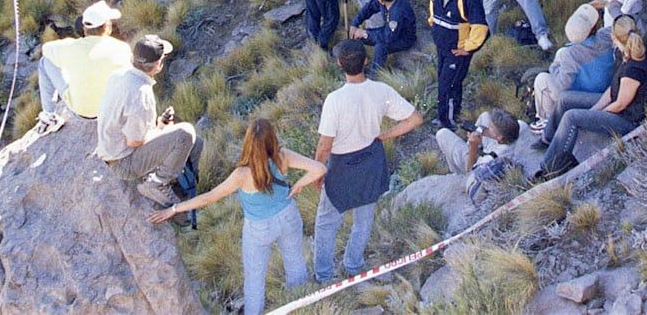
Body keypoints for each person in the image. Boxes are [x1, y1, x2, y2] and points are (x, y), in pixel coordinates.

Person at [150, 119, 325, 315]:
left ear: (248, 143)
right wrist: (298, 185)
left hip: (259, 228)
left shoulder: (241, 174)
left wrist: (174, 209)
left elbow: (209, 198)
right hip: (288, 215)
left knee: (254, 279)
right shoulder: (283, 156)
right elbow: (320, 169)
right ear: (272, 139)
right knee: (296, 265)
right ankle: (301, 307)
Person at [313, 41, 422, 283]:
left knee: (327, 223)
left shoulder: (335, 99)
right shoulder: (381, 90)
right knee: (364, 220)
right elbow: (415, 119)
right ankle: (354, 265)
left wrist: (317, 171)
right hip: (371, 161)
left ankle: (324, 276)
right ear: (365, 61)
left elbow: (325, 145)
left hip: (341, 168)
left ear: (339, 64)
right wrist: (384, 136)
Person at [538, 16, 647, 177]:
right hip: (616, 103)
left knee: (572, 117)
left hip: (627, 120)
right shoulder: (624, 54)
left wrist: (596, 114)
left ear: (615, 38)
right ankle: (548, 139)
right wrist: (595, 108)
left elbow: (621, 104)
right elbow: (613, 89)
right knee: (565, 99)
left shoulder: (633, 69)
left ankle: (548, 168)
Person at [96, 34, 203, 207]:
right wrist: (160, 128)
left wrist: (160, 127)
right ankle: (157, 183)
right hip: (125, 161)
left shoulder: (118, 75)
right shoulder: (141, 92)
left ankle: (185, 181)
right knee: (185, 133)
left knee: (196, 142)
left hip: (113, 150)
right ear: (158, 65)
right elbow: (135, 142)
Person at [37, 0, 134, 128]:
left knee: (45, 62)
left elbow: (46, 50)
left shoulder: (70, 47)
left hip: (79, 110)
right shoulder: (122, 48)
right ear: (107, 27)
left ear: (84, 28)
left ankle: (49, 115)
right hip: (108, 110)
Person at [530, 3, 616, 135]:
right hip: (606, 90)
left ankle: (547, 121)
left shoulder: (571, 54)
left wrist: (555, 67)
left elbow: (561, 87)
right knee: (561, 53)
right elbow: (624, 22)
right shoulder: (606, 35)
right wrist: (610, 5)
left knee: (542, 80)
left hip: (584, 97)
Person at [428, 0, 490, 130]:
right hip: (442, 49)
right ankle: (444, 116)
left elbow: (480, 27)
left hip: (457, 52)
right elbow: (433, 12)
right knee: (444, 82)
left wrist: (468, 48)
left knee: (449, 85)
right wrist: (433, 27)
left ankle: (449, 123)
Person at [433, 109, 540, 201]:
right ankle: (477, 141)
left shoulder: (491, 159)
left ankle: (456, 172)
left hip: (479, 161)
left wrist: (473, 146)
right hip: (503, 144)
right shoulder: (520, 126)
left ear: (499, 138)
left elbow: (470, 171)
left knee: (442, 134)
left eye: (491, 127)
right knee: (485, 115)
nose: (488, 126)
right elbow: (495, 131)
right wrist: (483, 132)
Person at [349, 0, 417, 75]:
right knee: (357, 36)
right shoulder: (386, 0)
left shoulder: (397, 13)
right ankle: (354, 65)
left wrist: (365, 34)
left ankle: (374, 76)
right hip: (388, 31)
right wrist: (355, 24)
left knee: (380, 47)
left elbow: (388, 37)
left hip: (403, 38)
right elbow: (369, 8)